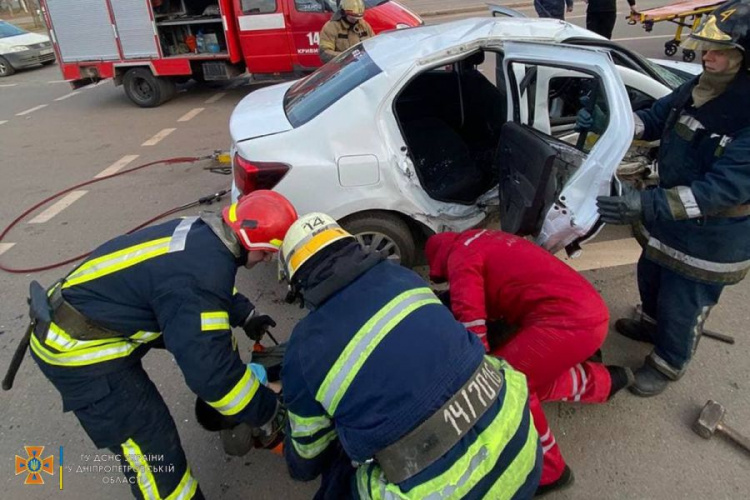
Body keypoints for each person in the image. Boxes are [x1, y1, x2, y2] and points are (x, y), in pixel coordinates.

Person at [29, 191, 297, 499]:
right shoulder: (201, 277)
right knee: (155, 454)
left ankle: (230, 411)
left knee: (219, 342)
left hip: (96, 312)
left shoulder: (200, 234)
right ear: (251, 243)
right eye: (265, 253)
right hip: (81, 352)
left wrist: (245, 313)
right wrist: (266, 409)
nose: (264, 259)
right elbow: (209, 370)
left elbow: (198, 282)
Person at [278, 213, 542, 499]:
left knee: (340, 472)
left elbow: (308, 459)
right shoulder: (404, 277)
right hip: (521, 450)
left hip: (454, 491)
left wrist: (292, 452)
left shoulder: (304, 350)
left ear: (299, 282)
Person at [578, 0, 750, 397]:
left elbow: (718, 193)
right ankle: (651, 324)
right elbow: (656, 119)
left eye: (721, 51)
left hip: (713, 236)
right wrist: (615, 122)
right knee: (652, 275)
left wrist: (645, 204)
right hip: (672, 221)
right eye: (707, 47)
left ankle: (668, 362)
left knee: (683, 301)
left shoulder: (745, 116)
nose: (708, 55)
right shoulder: (701, 88)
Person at [425, 229, 635, 495]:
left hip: (566, 323)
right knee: (528, 374)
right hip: (586, 309)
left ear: (439, 260)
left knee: (506, 386)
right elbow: (505, 289)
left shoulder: (460, 258)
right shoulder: (486, 237)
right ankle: (605, 382)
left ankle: (550, 472)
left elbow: (472, 324)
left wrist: (474, 373)